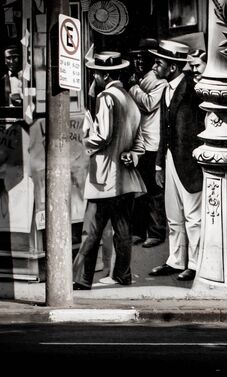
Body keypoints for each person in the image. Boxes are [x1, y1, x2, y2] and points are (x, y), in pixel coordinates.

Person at [72, 51, 145, 290]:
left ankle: (81, 279)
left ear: (104, 75)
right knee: (122, 230)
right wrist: (130, 154)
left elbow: (102, 135)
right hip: (126, 179)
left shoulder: (106, 97)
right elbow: (140, 143)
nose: (94, 76)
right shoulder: (130, 99)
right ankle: (123, 275)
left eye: (95, 73)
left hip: (104, 178)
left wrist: (85, 136)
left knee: (91, 230)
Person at [148, 40, 205, 282]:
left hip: (190, 161)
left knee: (193, 216)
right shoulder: (166, 90)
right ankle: (176, 259)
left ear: (172, 67)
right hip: (172, 157)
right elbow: (163, 129)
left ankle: (195, 263)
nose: (154, 66)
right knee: (173, 214)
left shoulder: (194, 90)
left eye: (159, 62)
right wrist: (160, 164)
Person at [128, 39, 169, 249]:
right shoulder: (139, 78)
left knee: (153, 190)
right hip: (140, 141)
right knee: (139, 189)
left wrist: (134, 88)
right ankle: (138, 231)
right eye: (135, 57)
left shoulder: (159, 81)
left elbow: (149, 103)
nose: (138, 61)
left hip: (153, 142)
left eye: (142, 57)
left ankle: (155, 232)